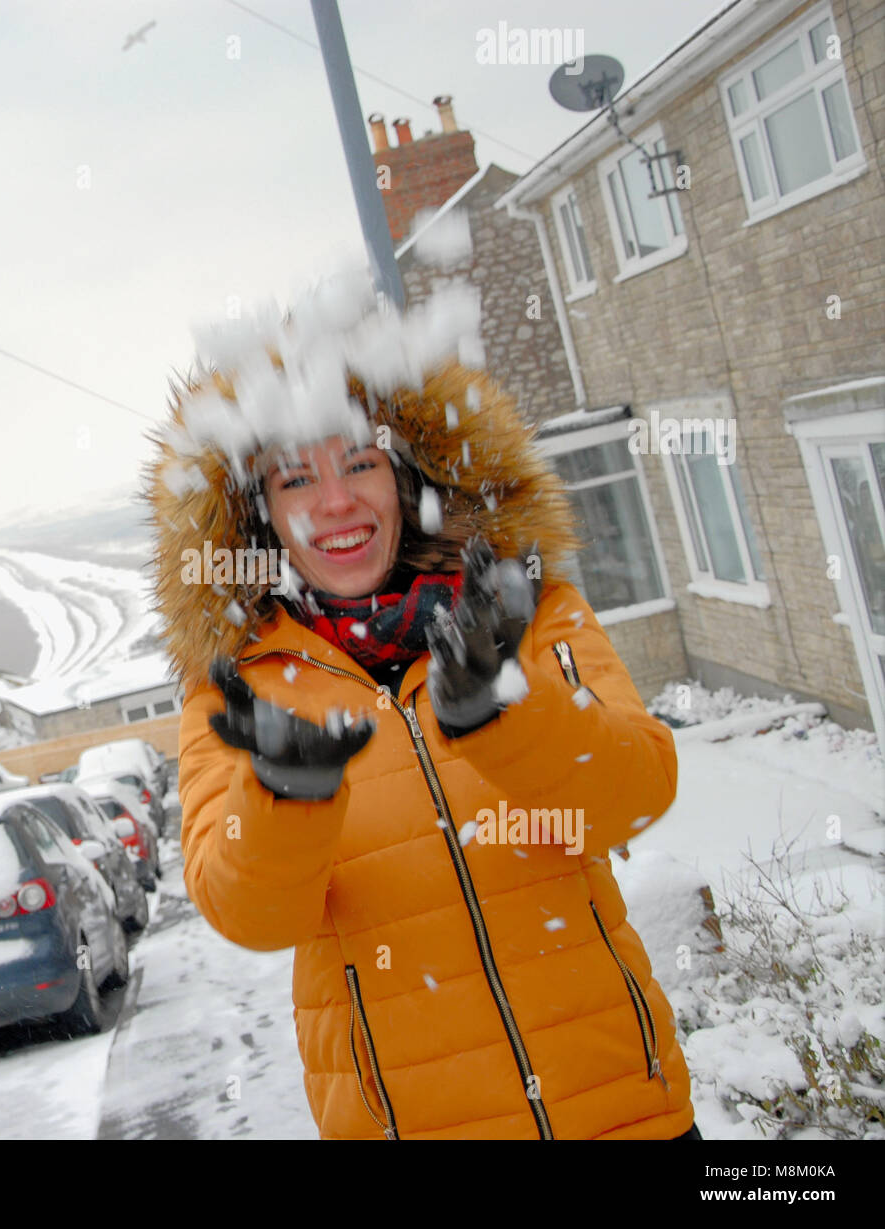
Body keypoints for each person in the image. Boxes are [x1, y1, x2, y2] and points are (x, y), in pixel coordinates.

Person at [145, 346, 698, 1140]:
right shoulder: (239, 686)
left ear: (406, 476)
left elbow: (636, 797)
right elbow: (250, 916)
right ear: (256, 513)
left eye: (359, 463)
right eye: (295, 478)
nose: (335, 502)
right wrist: (283, 797)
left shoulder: (522, 612)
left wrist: (505, 714)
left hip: (628, 1111)